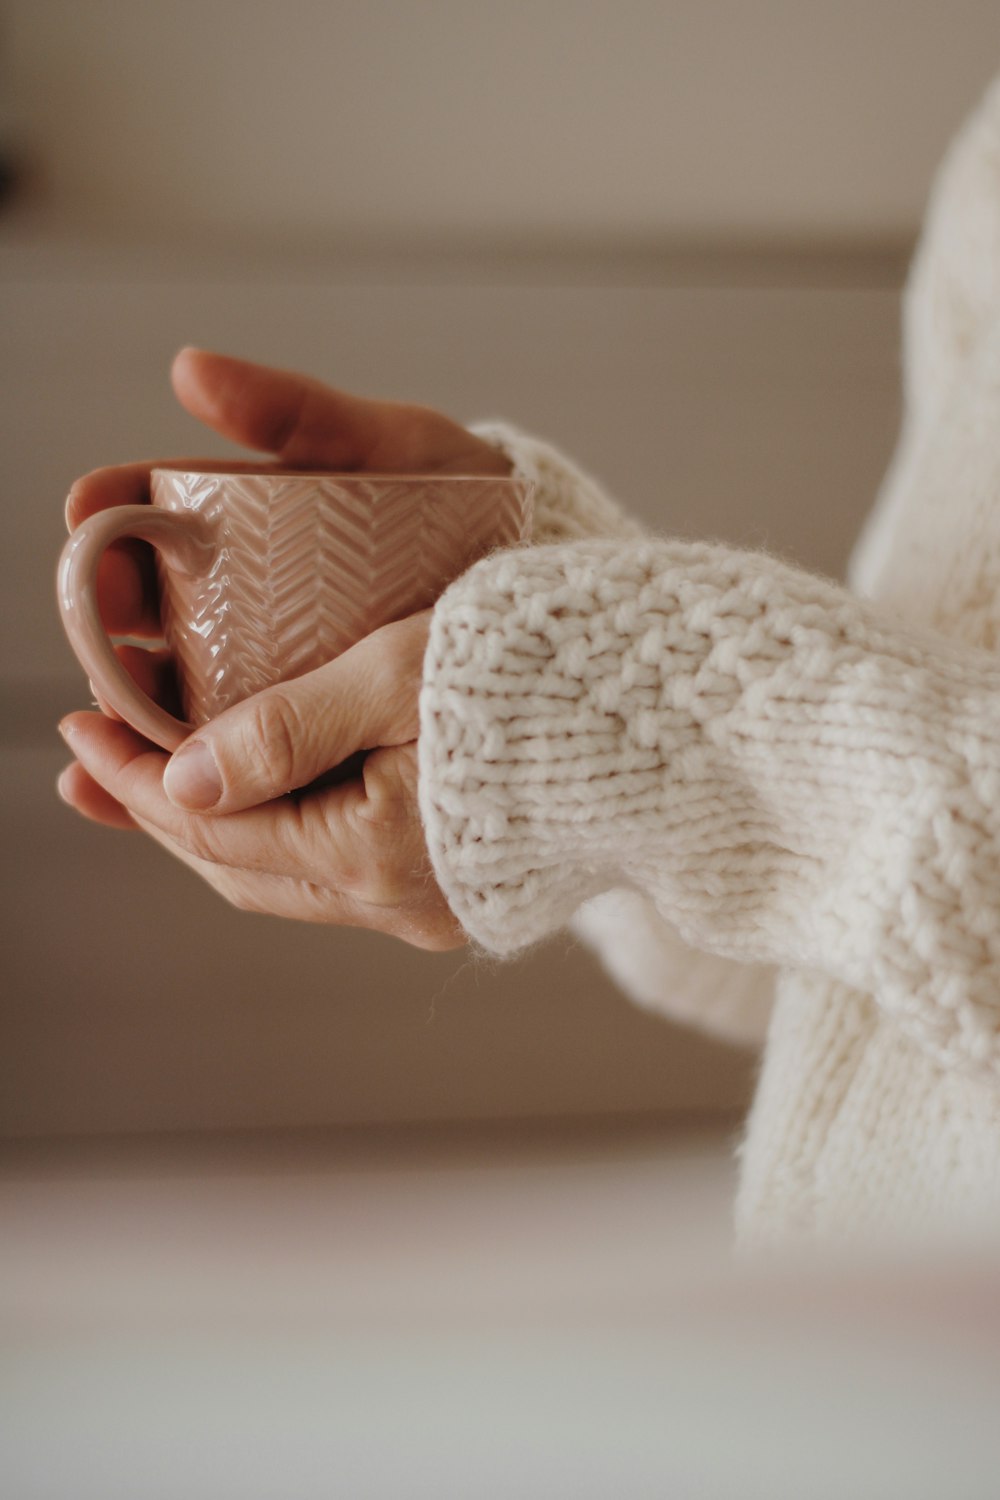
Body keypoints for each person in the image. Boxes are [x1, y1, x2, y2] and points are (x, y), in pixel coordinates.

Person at [58, 76, 1000, 1247]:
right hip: (882, 1355)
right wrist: (556, 656)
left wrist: (649, 708)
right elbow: (870, 963)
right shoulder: (988, 177)